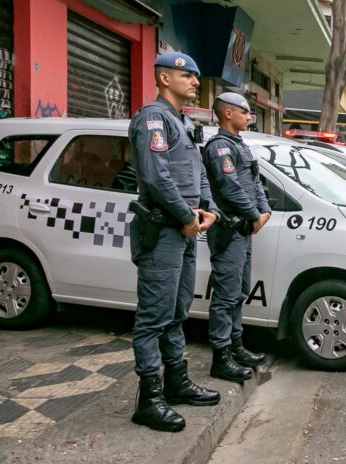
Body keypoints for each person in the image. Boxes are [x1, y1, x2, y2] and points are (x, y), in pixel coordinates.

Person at [128, 51, 221, 433]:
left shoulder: (182, 123)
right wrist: (186, 217)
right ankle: (149, 400)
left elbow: (197, 173)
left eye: (197, 76)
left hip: (185, 231)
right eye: (188, 76)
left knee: (178, 310)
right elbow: (156, 177)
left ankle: (175, 382)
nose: (196, 82)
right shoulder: (152, 118)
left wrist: (208, 210)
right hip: (164, 231)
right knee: (154, 317)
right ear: (165, 78)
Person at [202, 92, 272, 383]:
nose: (249, 116)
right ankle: (221, 357)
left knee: (240, 291)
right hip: (229, 230)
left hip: (244, 230)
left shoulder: (240, 145)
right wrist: (255, 215)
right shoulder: (219, 147)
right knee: (225, 295)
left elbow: (255, 181)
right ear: (228, 113)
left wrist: (264, 211)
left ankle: (236, 347)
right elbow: (229, 187)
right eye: (244, 111)